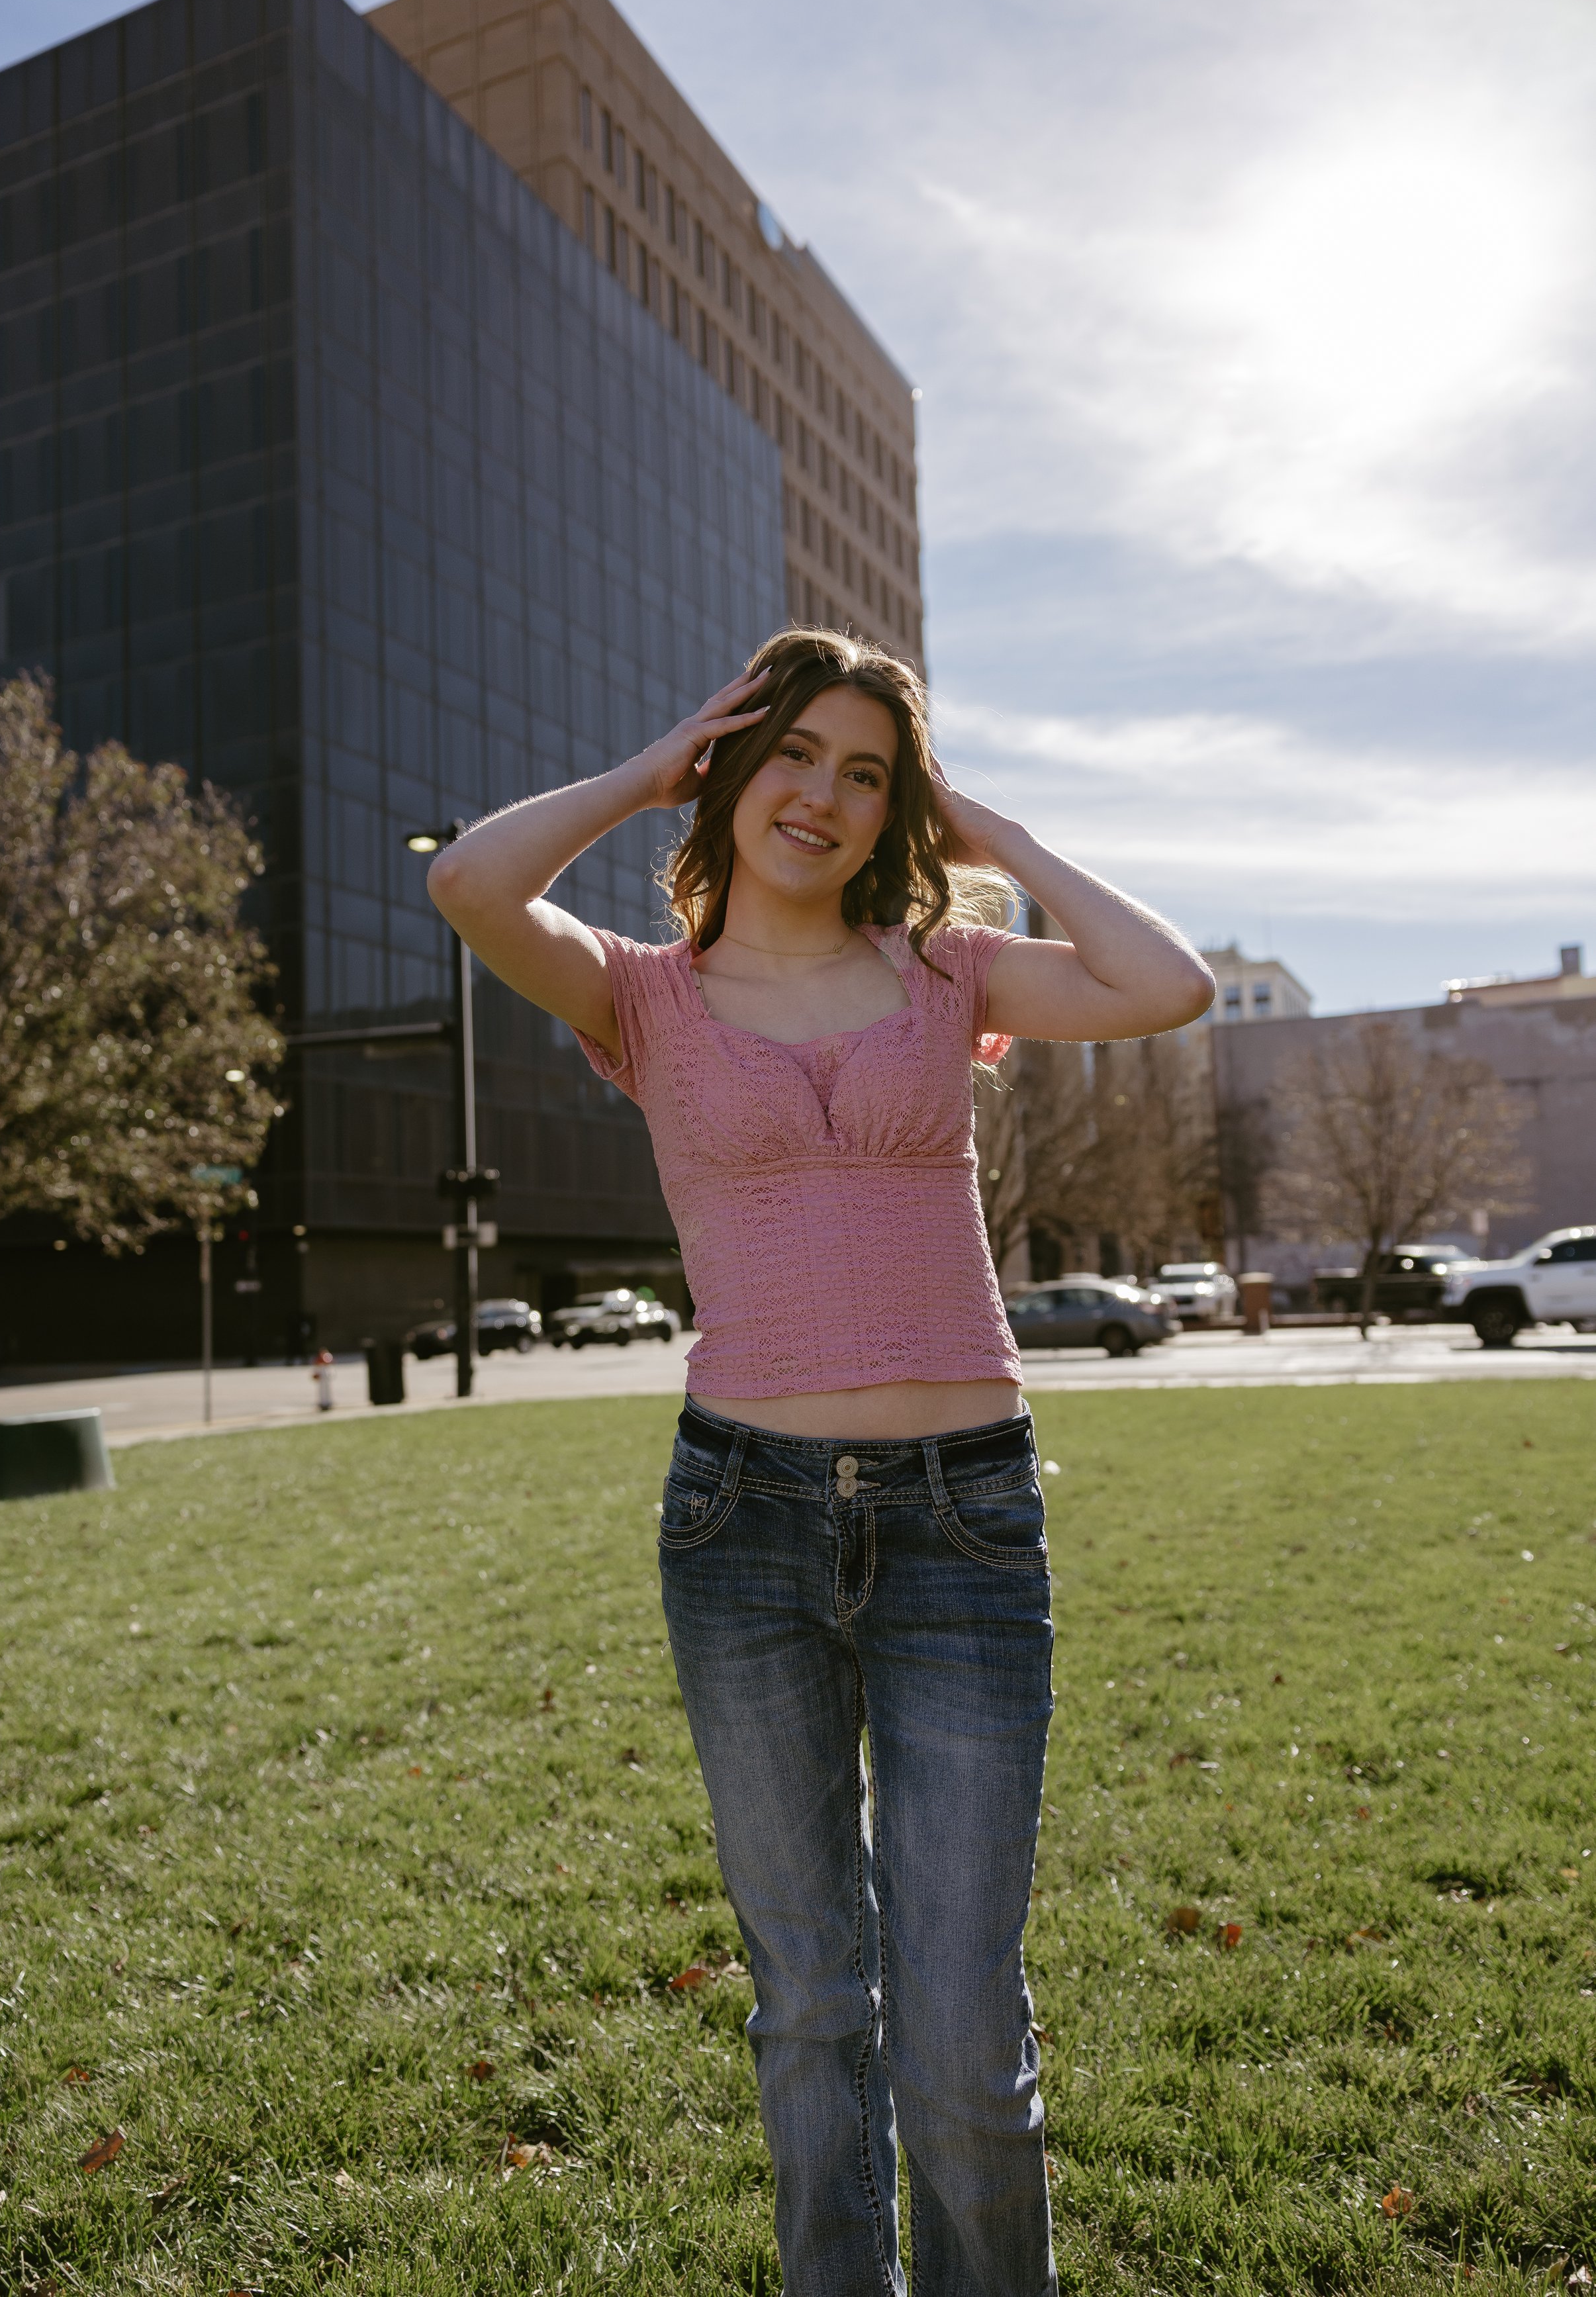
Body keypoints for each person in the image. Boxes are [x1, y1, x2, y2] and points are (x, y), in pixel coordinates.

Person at [428, 629, 1213, 2297]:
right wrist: (645, 771)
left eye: (866, 773)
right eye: (792, 752)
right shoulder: (640, 994)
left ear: (894, 809)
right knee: (807, 2001)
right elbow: (474, 885)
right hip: (744, 1523)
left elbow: (1167, 986)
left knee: (961, 2022)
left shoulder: (946, 971)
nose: (823, 795)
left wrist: (992, 833)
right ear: (731, 767)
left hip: (962, 1524)